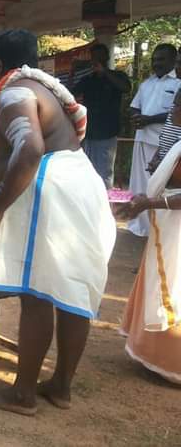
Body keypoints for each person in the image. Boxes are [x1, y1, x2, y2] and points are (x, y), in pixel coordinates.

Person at [0, 12, 116, 416]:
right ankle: (60, 387)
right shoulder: (35, 83)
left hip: (50, 189)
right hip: (81, 183)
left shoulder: (13, 95)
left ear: (2, 66)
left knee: (37, 294)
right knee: (71, 291)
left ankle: (24, 394)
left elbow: (29, 150)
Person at [119, 133, 181, 384]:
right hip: (167, 225)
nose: (174, 109)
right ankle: (151, 354)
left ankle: (170, 363)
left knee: (172, 292)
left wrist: (151, 202)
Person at [128, 44, 181, 237]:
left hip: (167, 146)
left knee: (160, 190)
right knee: (142, 185)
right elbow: (134, 107)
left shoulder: (177, 84)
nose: (156, 63)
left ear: (173, 60)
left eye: (161, 59)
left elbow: (172, 115)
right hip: (143, 140)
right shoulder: (146, 84)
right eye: (154, 59)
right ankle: (142, 228)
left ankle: (158, 231)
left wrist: (149, 119)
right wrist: (137, 117)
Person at [71, 44, 131, 188]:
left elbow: (126, 88)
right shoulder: (88, 79)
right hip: (89, 132)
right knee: (86, 171)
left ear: (106, 57)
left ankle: (104, 204)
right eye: (94, 57)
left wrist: (104, 72)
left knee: (104, 173)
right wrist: (74, 71)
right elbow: (70, 94)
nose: (96, 60)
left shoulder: (118, 76)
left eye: (99, 56)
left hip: (107, 132)